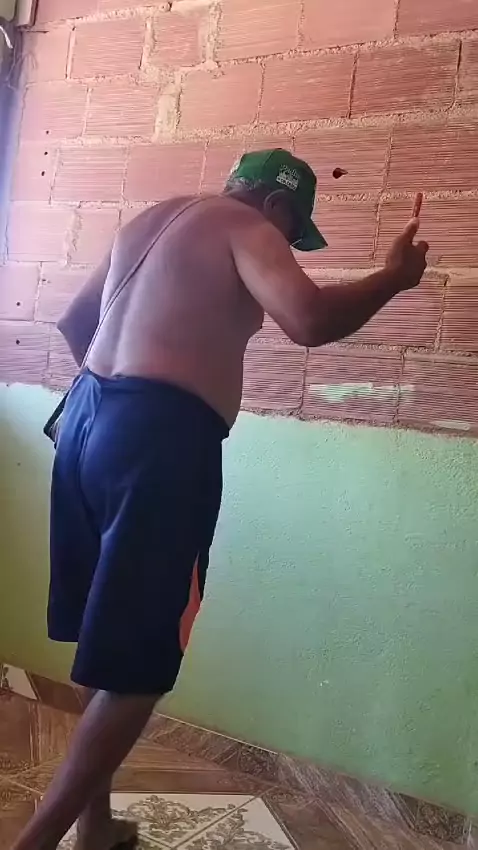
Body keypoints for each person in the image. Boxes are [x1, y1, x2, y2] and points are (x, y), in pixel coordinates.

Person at [12, 149, 428, 850]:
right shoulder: (248, 227)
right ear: (276, 204)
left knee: (103, 637)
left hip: (83, 418)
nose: (286, 246)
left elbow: (76, 321)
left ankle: (96, 827)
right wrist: (393, 277)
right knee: (141, 664)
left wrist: (120, 398)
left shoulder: (151, 219)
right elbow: (307, 320)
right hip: (160, 440)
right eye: (293, 233)